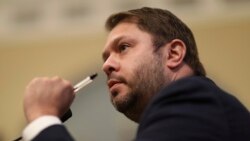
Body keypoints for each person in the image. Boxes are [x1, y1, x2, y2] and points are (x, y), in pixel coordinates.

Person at [21, 7, 250, 141]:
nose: (107, 66)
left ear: (174, 54)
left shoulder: (190, 95)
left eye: (123, 47)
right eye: (105, 57)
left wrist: (43, 118)